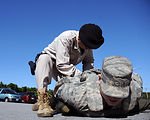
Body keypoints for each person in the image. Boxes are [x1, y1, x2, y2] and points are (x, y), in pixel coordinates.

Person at [29, 23, 104, 117]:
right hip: (52, 63)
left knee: (69, 96)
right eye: (87, 46)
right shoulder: (66, 38)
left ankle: (54, 101)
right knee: (44, 58)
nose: (89, 48)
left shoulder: (87, 45)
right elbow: (62, 65)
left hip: (67, 68)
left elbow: (88, 62)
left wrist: (90, 77)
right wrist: (82, 77)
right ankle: (42, 100)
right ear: (79, 38)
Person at [54, 56, 143, 117]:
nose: (113, 96)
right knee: (66, 108)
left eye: (120, 92)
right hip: (82, 92)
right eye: (109, 90)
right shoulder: (79, 95)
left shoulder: (135, 91)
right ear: (100, 79)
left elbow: (137, 78)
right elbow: (59, 87)